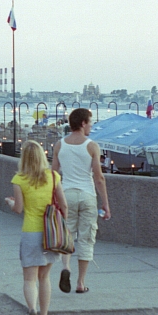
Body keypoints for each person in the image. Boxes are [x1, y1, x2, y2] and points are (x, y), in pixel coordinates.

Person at [6, 140, 67, 315]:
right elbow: (64, 205)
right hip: (50, 233)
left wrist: (10, 203)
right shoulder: (54, 176)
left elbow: (18, 209)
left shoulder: (19, 179)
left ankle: (32, 309)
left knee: (29, 279)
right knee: (44, 277)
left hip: (30, 232)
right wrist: (63, 226)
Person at [52, 107, 110, 295]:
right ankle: (80, 282)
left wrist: (52, 198)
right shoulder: (92, 146)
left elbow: (53, 174)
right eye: (90, 122)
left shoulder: (59, 145)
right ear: (83, 123)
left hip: (66, 194)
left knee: (67, 234)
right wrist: (105, 203)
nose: (91, 126)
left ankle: (66, 267)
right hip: (87, 195)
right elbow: (99, 177)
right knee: (86, 238)